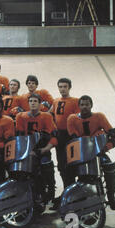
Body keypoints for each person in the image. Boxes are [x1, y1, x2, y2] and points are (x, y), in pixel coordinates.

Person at [67, 95, 115, 210]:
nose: (85, 107)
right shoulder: (72, 118)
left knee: (109, 166)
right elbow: (73, 138)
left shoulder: (99, 117)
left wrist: (105, 148)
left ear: (91, 105)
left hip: (98, 152)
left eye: (87, 104)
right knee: (68, 169)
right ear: (78, 106)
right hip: (80, 153)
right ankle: (72, 197)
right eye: (82, 104)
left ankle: (111, 194)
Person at [16, 94, 58, 204]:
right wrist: (27, 151)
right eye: (31, 101)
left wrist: (45, 149)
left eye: (35, 101)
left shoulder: (47, 117)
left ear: (40, 104)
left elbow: (54, 137)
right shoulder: (21, 116)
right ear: (28, 103)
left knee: (46, 165)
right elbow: (19, 137)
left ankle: (50, 189)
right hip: (27, 150)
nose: (33, 103)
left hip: (42, 149)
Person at [50, 78, 80, 207]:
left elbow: (79, 118)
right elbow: (49, 115)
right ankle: (66, 192)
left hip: (71, 136)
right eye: (60, 86)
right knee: (62, 166)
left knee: (71, 166)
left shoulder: (75, 101)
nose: (62, 89)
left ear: (69, 87)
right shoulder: (56, 101)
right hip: (60, 136)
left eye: (65, 86)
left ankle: (72, 193)